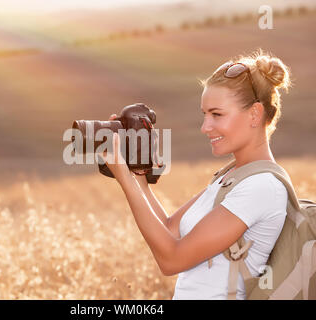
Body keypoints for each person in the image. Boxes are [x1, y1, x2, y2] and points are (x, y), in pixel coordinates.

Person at [102, 48, 292, 299]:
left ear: (255, 114)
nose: (205, 127)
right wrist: (136, 172)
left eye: (217, 115)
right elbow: (170, 230)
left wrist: (124, 178)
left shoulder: (261, 187)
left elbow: (171, 260)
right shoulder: (233, 176)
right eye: (205, 114)